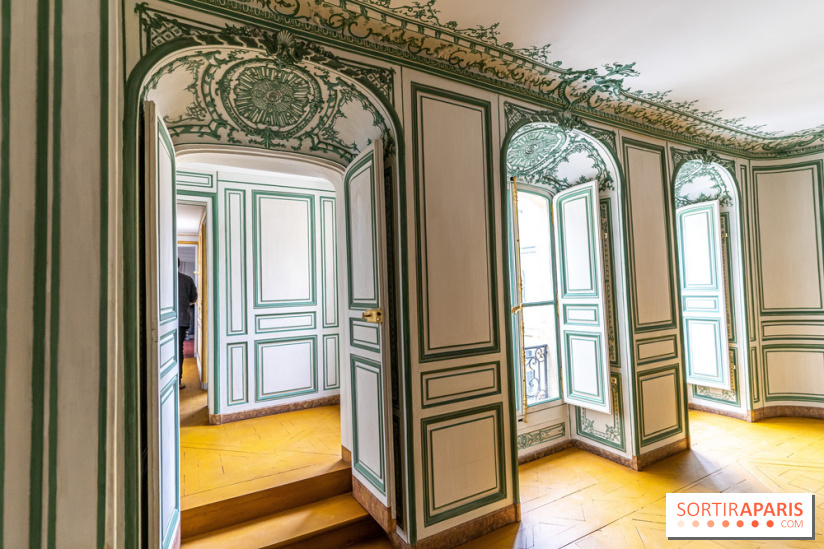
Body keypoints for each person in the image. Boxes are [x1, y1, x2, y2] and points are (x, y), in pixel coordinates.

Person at [178, 258, 198, 389]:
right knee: (179, 350)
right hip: (182, 319)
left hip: (161, 321)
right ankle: (177, 381)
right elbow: (194, 298)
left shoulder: (158, 278)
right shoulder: (187, 279)